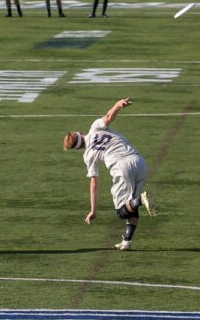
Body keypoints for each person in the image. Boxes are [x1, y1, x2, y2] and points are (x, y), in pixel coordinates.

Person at [64, 98, 157, 251]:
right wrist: (118, 104)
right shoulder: (95, 127)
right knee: (130, 206)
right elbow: (109, 117)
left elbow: (94, 184)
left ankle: (141, 199)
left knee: (122, 211)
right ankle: (127, 241)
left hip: (122, 167)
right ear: (80, 133)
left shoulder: (88, 155)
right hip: (139, 161)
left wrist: (93, 210)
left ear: (78, 148)